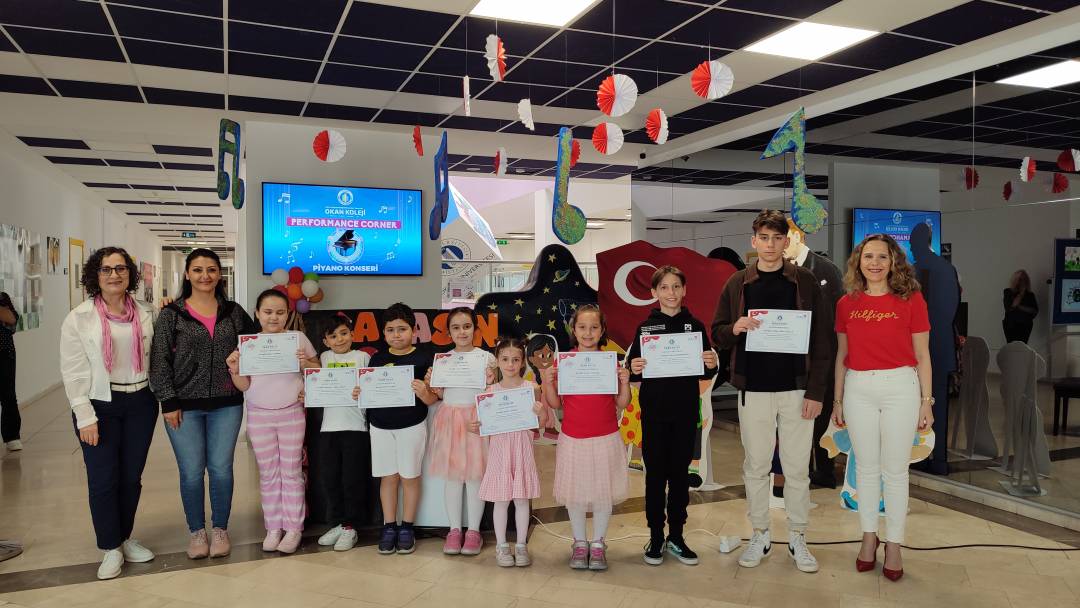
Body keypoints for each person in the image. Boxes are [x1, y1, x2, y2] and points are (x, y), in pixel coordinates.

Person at [710, 209, 832, 574]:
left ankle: (797, 536)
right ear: (754, 241)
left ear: (786, 242)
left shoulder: (804, 281)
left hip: (797, 389)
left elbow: (822, 340)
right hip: (753, 389)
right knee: (756, 466)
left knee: (796, 468)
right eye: (764, 238)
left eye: (777, 238)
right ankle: (760, 534)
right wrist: (735, 327)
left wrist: (816, 392)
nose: (770, 245)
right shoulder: (737, 283)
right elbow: (717, 333)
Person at [833, 234, 934, 582]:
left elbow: (923, 355)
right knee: (866, 469)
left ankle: (894, 543)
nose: (874, 263)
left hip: (901, 388)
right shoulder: (846, 303)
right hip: (858, 388)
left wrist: (926, 402)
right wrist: (837, 399)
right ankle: (868, 537)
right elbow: (842, 356)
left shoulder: (912, 299)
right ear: (858, 262)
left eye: (882, 257)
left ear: (893, 262)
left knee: (895, 471)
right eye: (868, 257)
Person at [59, 247, 157, 580]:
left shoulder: (146, 311)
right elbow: (73, 371)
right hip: (100, 404)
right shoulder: (79, 317)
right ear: (95, 275)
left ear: (130, 273)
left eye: (120, 268)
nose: (114, 275)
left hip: (141, 402)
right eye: (106, 269)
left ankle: (124, 537)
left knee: (131, 477)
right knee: (103, 478)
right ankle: (110, 547)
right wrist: (84, 416)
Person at [150, 248, 254, 560]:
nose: (205, 276)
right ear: (187, 274)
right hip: (184, 406)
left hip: (227, 404)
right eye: (197, 270)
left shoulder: (234, 312)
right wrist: (168, 401)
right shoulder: (171, 314)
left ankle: (220, 528)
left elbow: (257, 346)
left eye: (211, 269)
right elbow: (159, 360)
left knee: (221, 469)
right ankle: (197, 531)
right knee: (192, 472)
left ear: (219, 274)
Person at [625, 266, 718, 566]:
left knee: (679, 477)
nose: (671, 293)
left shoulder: (696, 327)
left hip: (685, 412)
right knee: (655, 477)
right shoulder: (645, 329)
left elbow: (707, 371)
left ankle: (676, 535)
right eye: (664, 287)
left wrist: (712, 363)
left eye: (676, 286)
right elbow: (632, 371)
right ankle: (655, 536)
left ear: (684, 290)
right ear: (654, 292)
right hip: (654, 414)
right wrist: (634, 368)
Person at [226, 289, 318, 554]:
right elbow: (244, 385)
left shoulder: (297, 338)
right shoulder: (249, 344)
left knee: (291, 471)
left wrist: (304, 363)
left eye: (280, 312)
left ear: (288, 314)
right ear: (257, 313)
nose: (273, 317)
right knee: (268, 473)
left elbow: (317, 370)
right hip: (259, 416)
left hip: (291, 413)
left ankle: (293, 528)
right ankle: (273, 527)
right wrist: (234, 369)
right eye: (267, 312)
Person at [541, 304, 631, 571]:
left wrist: (625, 382)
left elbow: (622, 403)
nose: (588, 332)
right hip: (573, 438)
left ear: (602, 330)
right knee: (576, 494)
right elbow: (555, 403)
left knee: (603, 493)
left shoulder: (610, 361)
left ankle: (599, 543)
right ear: (574, 329)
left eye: (594, 327)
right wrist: (547, 381)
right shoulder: (564, 362)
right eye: (582, 327)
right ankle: (580, 542)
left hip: (605, 436)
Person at [472, 337, 552, 567]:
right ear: (497, 361)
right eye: (505, 359)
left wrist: (541, 412)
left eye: (515, 360)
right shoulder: (490, 391)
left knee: (522, 499)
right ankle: (501, 545)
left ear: (523, 361)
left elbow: (541, 423)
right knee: (501, 500)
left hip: (522, 449)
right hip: (499, 451)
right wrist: (475, 425)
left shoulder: (531, 388)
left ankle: (521, 545)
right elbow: (480, 425)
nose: (510, 364)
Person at [366, 303, 438, 555]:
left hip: (412, 426)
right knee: (388, 478)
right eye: (390, 330)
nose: (396, 335)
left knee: (410, 477)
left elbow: (432, 399)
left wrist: (424, 391)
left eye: (402, 329)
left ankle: (407, 526)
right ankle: (389, 526)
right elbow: (369, 394)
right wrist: (360, 392)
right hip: (380, 426)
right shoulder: (377, 359)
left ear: (414, 330)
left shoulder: (424, 358)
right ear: (383, 333)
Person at [426, 307, 496, 556]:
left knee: (475, 477)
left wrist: (490, 382)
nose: (462, 332)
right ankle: (454, 530)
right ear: (449, 332)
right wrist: (434, 384)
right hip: (450, 420)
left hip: (476, 420)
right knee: (454, 477)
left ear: (475, 329)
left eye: (467, 326)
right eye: (456, 327)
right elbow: (441, 394)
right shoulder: (443, 360)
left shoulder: (486, 358)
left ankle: (474, 531)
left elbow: (493, 390)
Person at [315, 312, 372, 552]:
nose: (340, 339)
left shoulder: (363, 358)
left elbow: (372, 389)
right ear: (325, 341)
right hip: (329, 429)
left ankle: (351, 527)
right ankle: (338, 523)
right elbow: (313, 380)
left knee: (352, 480)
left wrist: (363, 391)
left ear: (353, 334)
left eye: (344, 333)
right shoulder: (324, 358)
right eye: (333, 336)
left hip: (356, 427)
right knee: (330, 479)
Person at [909, 222, 959, 476]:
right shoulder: (946, 268)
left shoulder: (915, 271)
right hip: (939, 346)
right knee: (938, 405)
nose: (911, 248)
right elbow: (952, 309)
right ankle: (938, 459)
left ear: (919, 243)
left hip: (921, 348)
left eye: (912, 243)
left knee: (918, 404)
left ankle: (922, 457)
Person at [0, 291, 20, 451]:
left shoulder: (2, 297)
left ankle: (12, 436)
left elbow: (12, 320)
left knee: (8, 396)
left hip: (4, 353)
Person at [1003, 270, 1038, 344]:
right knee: (1012, 346)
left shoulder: (1030, 295)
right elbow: (1009, 308)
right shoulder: (1008, 292)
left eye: (1024, 279)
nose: (1021, 282)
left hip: (1025, 325)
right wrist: (1021, 294)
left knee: (1023, 346)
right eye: (1019, 279)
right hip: (1011, 325)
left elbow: (1034, 311)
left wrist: (1019, 307)